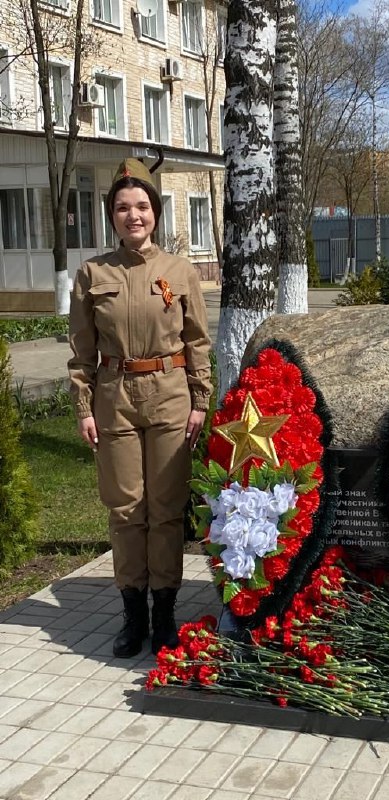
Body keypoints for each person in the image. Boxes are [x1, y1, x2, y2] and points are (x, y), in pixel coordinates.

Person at [68, 159, 212, 658]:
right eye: (123, 207)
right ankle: (133, 613)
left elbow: (197, 341)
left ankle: (165, 611)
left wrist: (200, 400)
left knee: (166, 509)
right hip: (115, 398)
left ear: (155, 213)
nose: (134, 215)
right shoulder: (93, 273)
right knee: (126, 509)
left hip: (170, 393)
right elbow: (82, 350)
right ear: (112, 215)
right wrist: (84, 406)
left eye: (143, 206)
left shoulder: (179, 271)